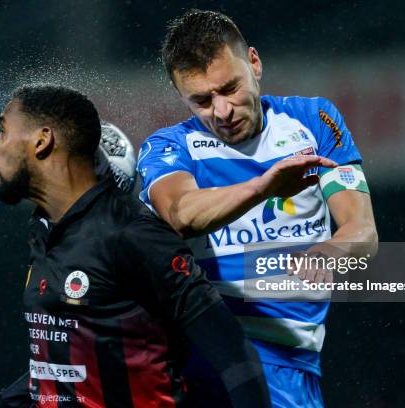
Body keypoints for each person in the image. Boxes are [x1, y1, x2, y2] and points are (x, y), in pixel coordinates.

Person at [138, 9, 378, 408]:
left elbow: (362, 232)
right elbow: (181, 213)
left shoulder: (314, 121)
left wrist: (331, 251)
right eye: (201, 100)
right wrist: (265, 186)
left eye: (229, 88)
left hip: (295, 366)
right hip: (210, 360)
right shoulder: (169, 147)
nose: (222, 111)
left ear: (254, 62)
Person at [0, 84, 270, 408]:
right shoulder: (46, 235)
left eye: (3, 131)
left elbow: (231, 348)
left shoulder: (130, 235)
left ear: (42, 140)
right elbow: (64, 369)